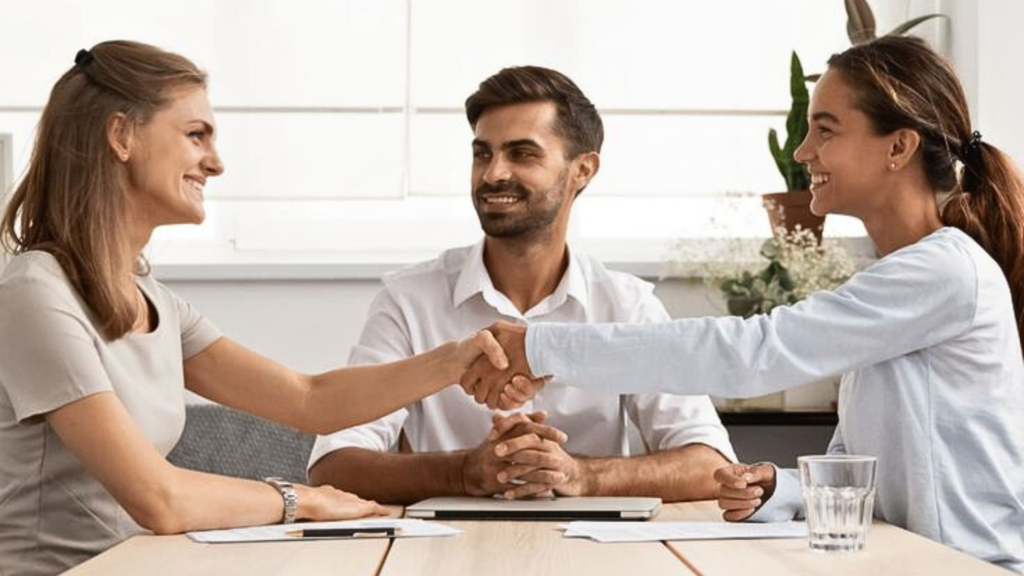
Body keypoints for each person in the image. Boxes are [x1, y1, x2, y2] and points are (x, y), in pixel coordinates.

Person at [460, 37, 1024, 572]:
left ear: (898, 147)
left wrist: (539, 344)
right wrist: (783, 487)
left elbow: (754, 350)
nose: (804, 151)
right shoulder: (900, 277)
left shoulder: (943, 271)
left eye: (824, 131)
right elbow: (862, 469)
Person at [0, 41, 507, 576]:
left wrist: (455, 360)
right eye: (196, 135)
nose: (215, 163)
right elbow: (158, 498)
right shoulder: (35, 293)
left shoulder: (152, 299)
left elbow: (309, 399)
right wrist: (301, 500)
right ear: (121, 135)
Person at [307, 66, 735, 504]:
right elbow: (333, 466)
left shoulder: (626, 305)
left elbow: (710, 465)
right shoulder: (409, 300)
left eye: (522, 154)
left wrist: (579, 474)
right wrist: (464, 473)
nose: (493, 174)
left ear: (582, 170)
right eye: (482, 154)